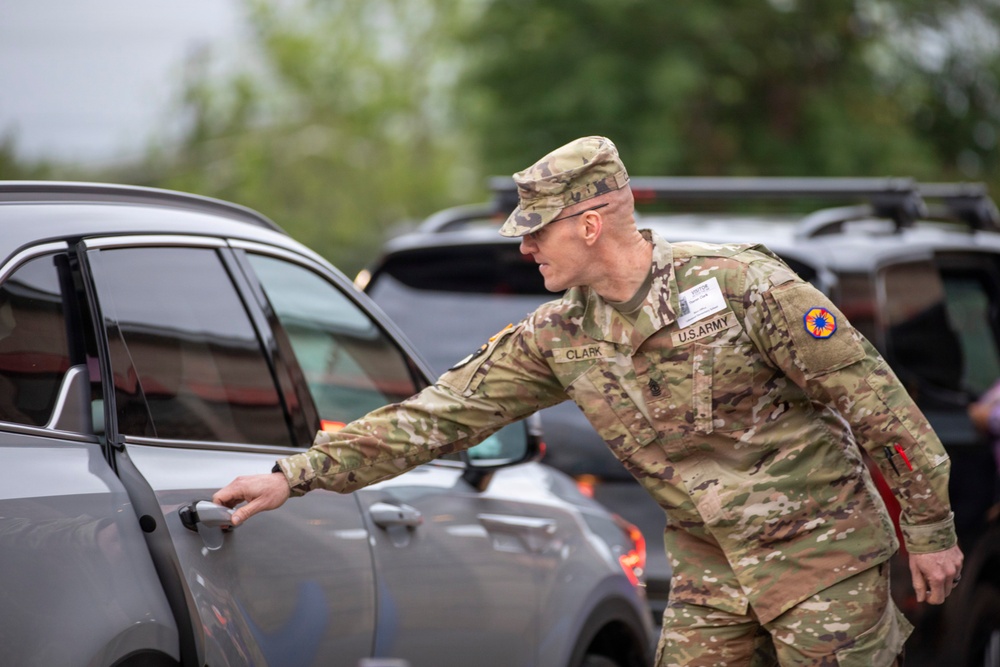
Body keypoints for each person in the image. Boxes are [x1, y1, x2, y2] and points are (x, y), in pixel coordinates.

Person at [215, 136, 963, 666]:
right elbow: (438, 414)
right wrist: (297, 473)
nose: (524, 248)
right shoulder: (559, 334)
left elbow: (876, 402)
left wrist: (930, 527)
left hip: (821, 563)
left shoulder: (743, 286)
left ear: (590, 222)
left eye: (536, 231)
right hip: (709, 576)